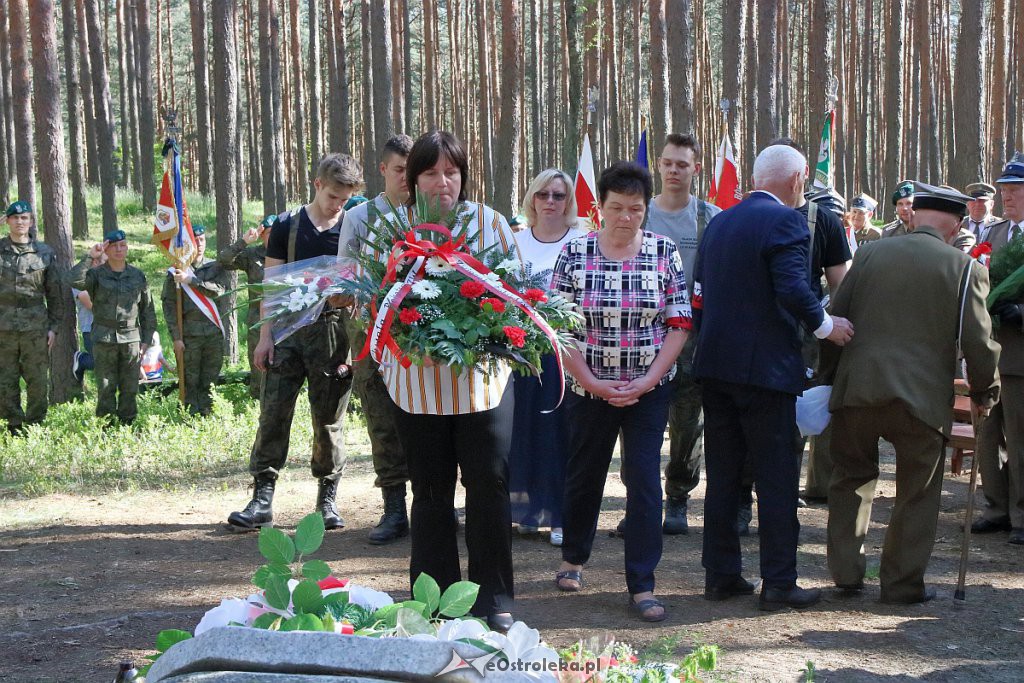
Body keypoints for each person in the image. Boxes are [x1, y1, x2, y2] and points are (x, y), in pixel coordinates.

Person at [692, 145, 853, 611]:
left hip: (716, 367)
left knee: (723, 476)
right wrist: (827, 326)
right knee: (777, 478)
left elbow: (700, 294)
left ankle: (721, 575)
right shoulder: (786, 221)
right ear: (799, 178)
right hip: (765, 372)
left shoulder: (720, 221)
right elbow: (792, 287)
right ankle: (779, 582)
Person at [824, 182, 1000, 602]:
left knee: (850, 479)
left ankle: (847, 574)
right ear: (956, 224)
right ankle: (902, 585)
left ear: (913, 215)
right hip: (922, 401)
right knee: (917, 493)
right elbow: (979, 341)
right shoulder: (964, 268)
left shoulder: (867, 254)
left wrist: (827, 381)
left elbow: (835, 320)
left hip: (857, 390)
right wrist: (983, 393)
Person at [377, 131, 519, 632]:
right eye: (432, 173)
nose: (444, 183)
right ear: (413, 180)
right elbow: (374, 300)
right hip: (416, 387)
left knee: (490, 486)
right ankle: (435, 602)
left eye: (452, 172)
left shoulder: (490, 224)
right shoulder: (393, 230)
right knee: (431, 493)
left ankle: (493, 599)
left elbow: (517, 297)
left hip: (483, 386)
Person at [552, 161, 690, 623]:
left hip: (648, 389)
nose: (626, 217)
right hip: (588, 387)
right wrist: (589, 380)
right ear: (600, 209)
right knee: (584, 473)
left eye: (635, 208)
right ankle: (573, 559)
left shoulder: (663, 252)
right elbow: (559, 326)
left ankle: (642, 583)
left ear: (646, 209)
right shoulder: (575, 253)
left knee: (645, 481)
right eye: (617, 208)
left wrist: (649, 379)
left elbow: (679, 323)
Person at [227, 153, 361, 532]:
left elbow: (361, 284)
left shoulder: (351, 228)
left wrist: (347, 303)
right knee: (273, 413)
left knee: (329, 419)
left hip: (333, 331)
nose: (338, 205)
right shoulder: (287, 225)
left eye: (345, 198)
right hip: (286, 332)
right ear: (317, 184)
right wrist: (264, 338)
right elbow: (270, 285)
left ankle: (327, 501)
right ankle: (262, 498)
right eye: (333, 195)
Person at [638, 133, 720, 536]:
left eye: (682, 164)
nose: (673, 171)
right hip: (643, 337)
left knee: (688, 425)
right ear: (658, 164)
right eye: (668, 163)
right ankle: (641, 501)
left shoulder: (712, 218)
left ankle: (677, 500)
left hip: (692, 339)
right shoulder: (640, 215)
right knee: (641, 426)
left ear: (695, 169)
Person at [338, 134, 414, 545]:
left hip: (419, 333)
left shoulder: (430, 214)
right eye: (399, 170)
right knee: (381, 417)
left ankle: (431, 503)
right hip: (372, 335)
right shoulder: (359, 217)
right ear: (382, 170)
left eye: (412, 170)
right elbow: (344, 276)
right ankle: (394, 507)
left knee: (426, 418)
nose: (407, 178)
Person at [508, 168, 584, 547]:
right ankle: (528, 510)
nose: (551, 202)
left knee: (561, 435)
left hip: (566, 354)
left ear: (568, 201)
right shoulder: (515, 242)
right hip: (522, 353)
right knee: (524, 431)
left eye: (559, 195)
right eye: (544, 195)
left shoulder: (582, 240)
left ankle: (561, 515)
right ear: (532, 199)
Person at [973, 153, 1024, 544]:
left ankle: (1022, 513)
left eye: (1016, 190)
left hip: (1021, 354)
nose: (1008, 197)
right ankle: (996, 506)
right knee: (987, 434)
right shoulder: (993, 236)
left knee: (1020, 435)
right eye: (1005, 190)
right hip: (989, 351)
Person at [66, 230, 157, 426]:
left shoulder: (137, 275)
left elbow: (147, 311)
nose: (118, 249)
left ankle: (127, 426)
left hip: (131, 339)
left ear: (127, 247)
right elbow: (73, 280)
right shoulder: (96, 275)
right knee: (106, 387)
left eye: (122, 245)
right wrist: (91, 256)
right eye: (113, 246)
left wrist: (146, 340)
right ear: (106, 249)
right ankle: (105, 429)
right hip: (104, 338)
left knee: (130, 386)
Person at [0, 201, 63, 434]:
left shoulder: (44, 253)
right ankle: (13, 425)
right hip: (3, 326)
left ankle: (35, 424)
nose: (19, 222)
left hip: (36, 327)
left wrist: (54, 327)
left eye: (24, 218)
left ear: (31, 222)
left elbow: (55, 294)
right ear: (7, 221)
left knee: (37, 380)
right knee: (6, 379)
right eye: (14, 218)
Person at [162, 225, 230, 416]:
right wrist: (176, 337)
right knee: (189, 379)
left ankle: (207, 415)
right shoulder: (175, 272)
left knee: (210, 378)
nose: (199, 244)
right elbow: (168, 306)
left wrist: (191, 281)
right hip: (189, 335)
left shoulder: (215, 267)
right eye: (195, 241)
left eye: (201, 240)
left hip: (213, 333)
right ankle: (188, 417)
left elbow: (218, 290)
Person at [218, 215, 274, 399]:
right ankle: (257, 401)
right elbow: (224, 260)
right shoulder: (252, 256)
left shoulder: (288, 253)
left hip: (282, 319)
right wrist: (243, 241)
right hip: (258, 320)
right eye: (268, 233)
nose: (272, 238)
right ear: (262, 234)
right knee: (258, 364)